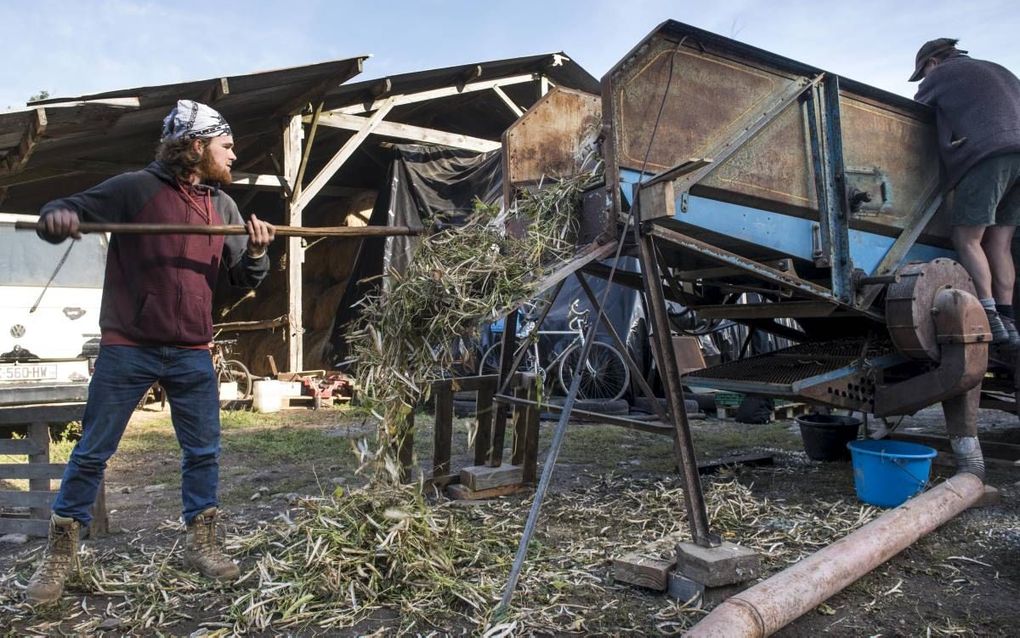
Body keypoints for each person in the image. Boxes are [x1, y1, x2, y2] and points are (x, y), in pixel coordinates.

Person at [25, 100, 275, 604]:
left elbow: (241, 280)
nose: (234, 154)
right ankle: (59, 557)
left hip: (191, 350)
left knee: (203, 451)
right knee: (93, 451)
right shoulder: (133, 189)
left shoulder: (223, 207)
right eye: (226, 145)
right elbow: (60, 209)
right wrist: (58, 218)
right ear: (197, 145)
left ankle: (201, 543)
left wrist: (257, 252)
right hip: (129, 346)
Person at [911, 38, 1020, 345]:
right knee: (1000, 244)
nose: (925, 79)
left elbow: (916, 110)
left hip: (990, 155)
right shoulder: (999, 69)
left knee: (968, 238)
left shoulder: (941, 76)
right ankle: (1009, 320)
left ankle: (989, 315)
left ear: (932, 63)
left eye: (923, 73)